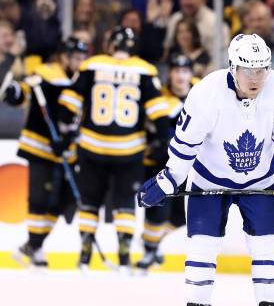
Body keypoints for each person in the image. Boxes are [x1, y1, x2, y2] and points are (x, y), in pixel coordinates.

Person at [136, 33, 274, 306]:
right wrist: (168, 181)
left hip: (259, 181)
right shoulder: (205, 94)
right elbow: (183, 152)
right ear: (232, 67)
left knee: (267, 246)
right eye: (249, 70)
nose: (257, 77)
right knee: (202, 246)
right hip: (208, 180)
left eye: (263, 69)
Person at [57, 26, 169, 273]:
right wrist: (164, 141)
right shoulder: (145, 69)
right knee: (125, 204)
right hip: (129, 151)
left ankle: (85, 254)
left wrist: (66, 130)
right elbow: (159, 114)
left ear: (111, 45)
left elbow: (67, 106)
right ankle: (124, 254)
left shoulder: (92, 65)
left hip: (91, 147)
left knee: (89, 203)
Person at [2, 37, 89, 267]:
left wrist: (69, 139)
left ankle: (33, 245)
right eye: (76, 58)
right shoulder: (45, 74)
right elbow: (23, 92)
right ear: (64, 56)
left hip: (66, 151)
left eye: (82, 58)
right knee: (39, 200)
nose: (79, 62)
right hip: (39, 147)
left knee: (64, 202)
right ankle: (34, 246)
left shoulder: (83, 80)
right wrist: (14, 92)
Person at [135, 53, 198, 273]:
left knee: (181, 216)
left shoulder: (201, 94)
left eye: (185, 71)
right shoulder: (159, 98)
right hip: (160, 163)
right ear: (169, 74)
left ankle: (155, 241)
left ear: (191, 73)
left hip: (192, 168)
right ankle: (149, 250)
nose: (181, 76)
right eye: (176, 71)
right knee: (157, 210)